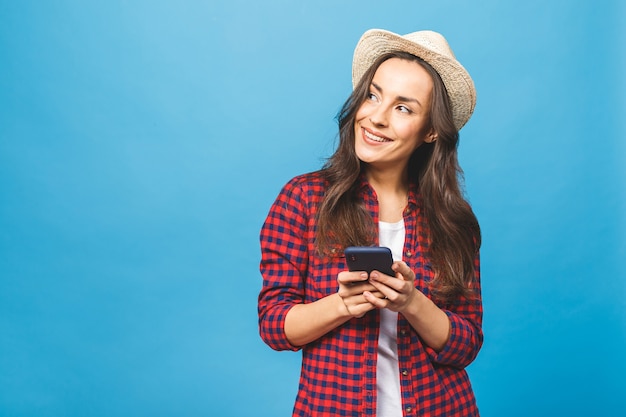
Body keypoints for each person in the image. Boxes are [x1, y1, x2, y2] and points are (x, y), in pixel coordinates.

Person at [258, 28, 483, 417]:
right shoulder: (303, 200)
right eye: (373, 95)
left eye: (403, 108)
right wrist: (344, 304)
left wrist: (412, 302)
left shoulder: (452, 221)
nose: (375, 117)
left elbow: (465, 345)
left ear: (430, 130)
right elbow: (275, 325)